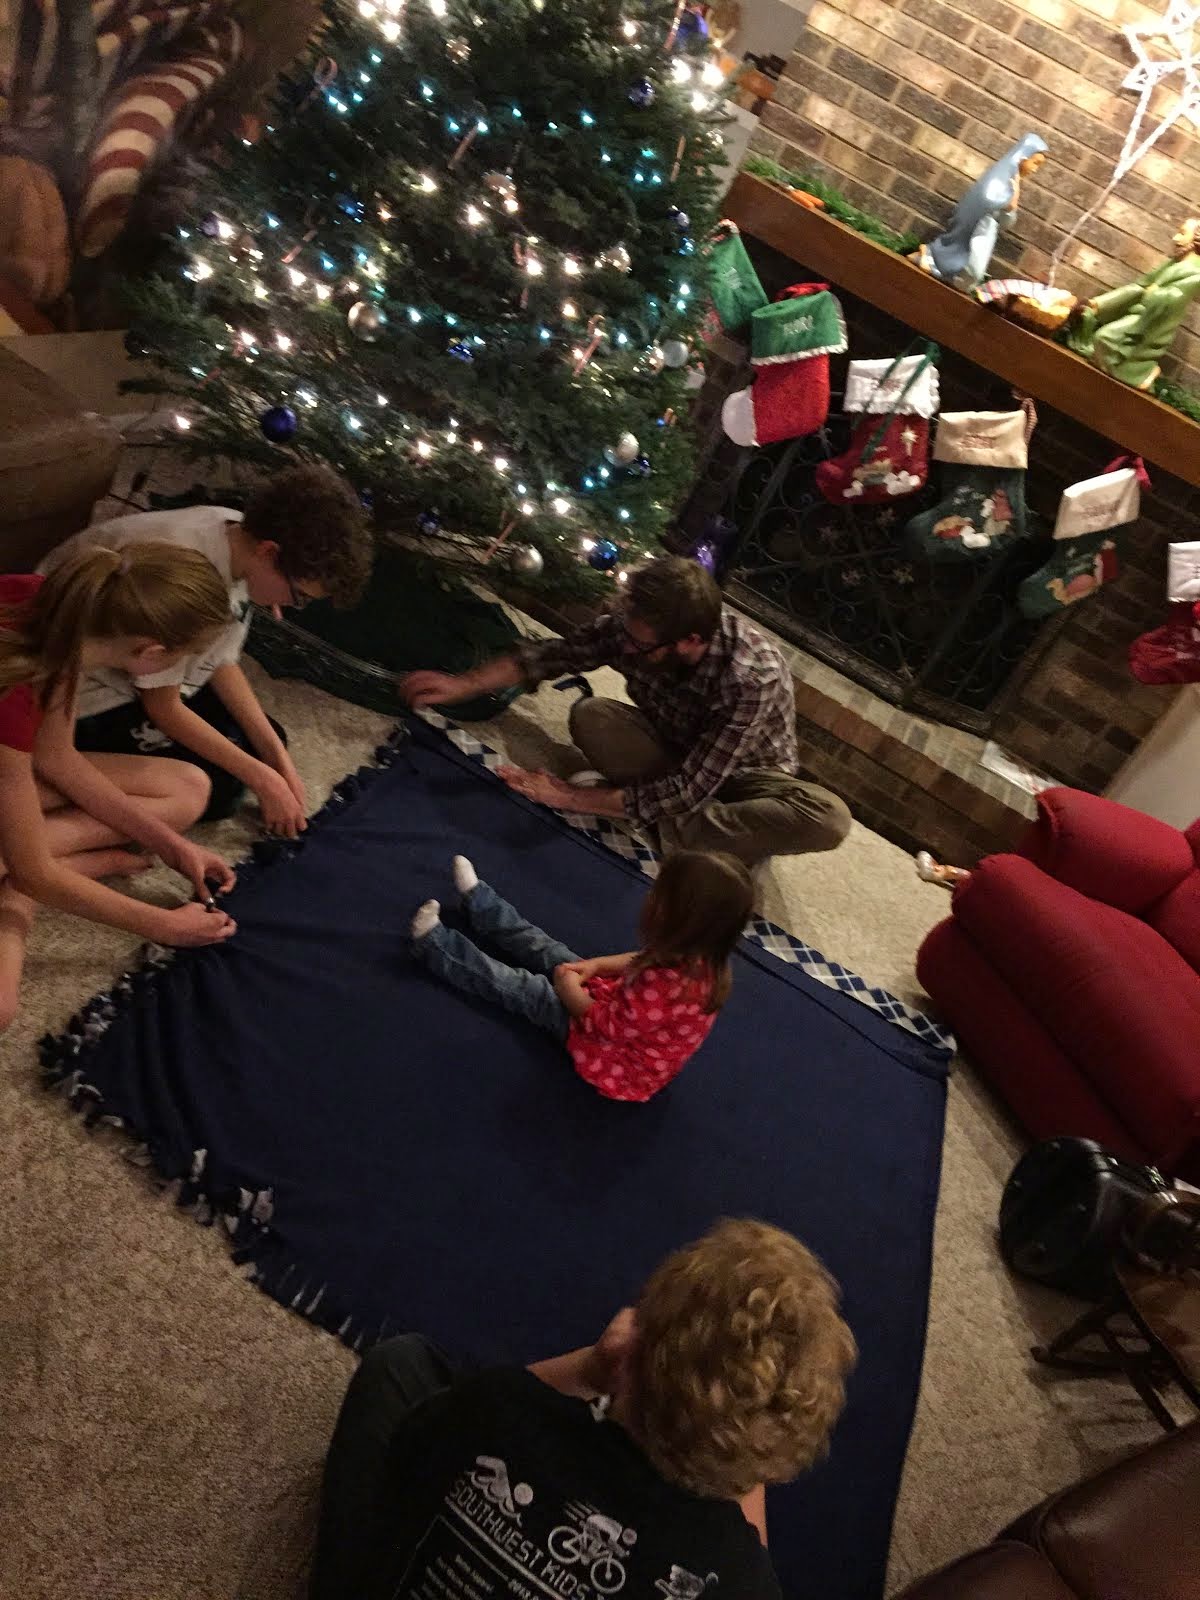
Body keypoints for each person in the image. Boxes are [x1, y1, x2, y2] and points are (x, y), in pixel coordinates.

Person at [309, 1216, 857, 1600]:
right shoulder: (739, 1580)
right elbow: (751, 1547)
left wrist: (592, 1370)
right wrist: (742, 1458)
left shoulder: (506, 1412)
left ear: (632, 1345)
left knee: (400, 1367)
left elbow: (419, 1445)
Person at [402, 556, 850, 868]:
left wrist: (567, 797)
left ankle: (685, 829)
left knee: (829, 819)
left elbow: (693, 787)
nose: (625, 643)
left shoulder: (753, 675)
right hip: (671, 750)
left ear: (690, 641)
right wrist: (464, 684)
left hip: (745, 778)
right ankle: (710, 841)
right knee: (591, 715)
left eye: (638, 644)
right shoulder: (634, 627)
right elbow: (554, 655)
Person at [39, 464, 372, 838]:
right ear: (269, 552)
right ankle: (40, 819)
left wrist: (278, 763)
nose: (289, 607)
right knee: (218, 789)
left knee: (268, 741)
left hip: (140, 670)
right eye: (298, 596)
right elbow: (162, 704)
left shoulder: (237, 534)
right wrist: (263, 779)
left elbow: (219, 660)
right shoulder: (191, 569)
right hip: (89, 694)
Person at [0, 546, 240, 1029]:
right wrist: (165, 925)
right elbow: (34, 870)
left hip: (12, 769)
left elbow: (57, 757)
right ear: (150, 653)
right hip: (7, 767)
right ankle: (23, 888)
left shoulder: (62, 609)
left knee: (189, 784)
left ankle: (39, 863)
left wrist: (172, 847)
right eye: (184, 658)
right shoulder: (13, 695)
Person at [411, 849, 753, 1103]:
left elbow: (604, 1026)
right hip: (620, 1009)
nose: (648, 895)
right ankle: (480, 902)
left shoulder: (670, 990)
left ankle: (438, 948)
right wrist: (596, 966)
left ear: (676, 919)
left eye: (657, 893)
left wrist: (565, 986)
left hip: (616, 1054)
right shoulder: (699, 950)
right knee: (549, 950)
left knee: (529, 990)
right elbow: (641, 959)